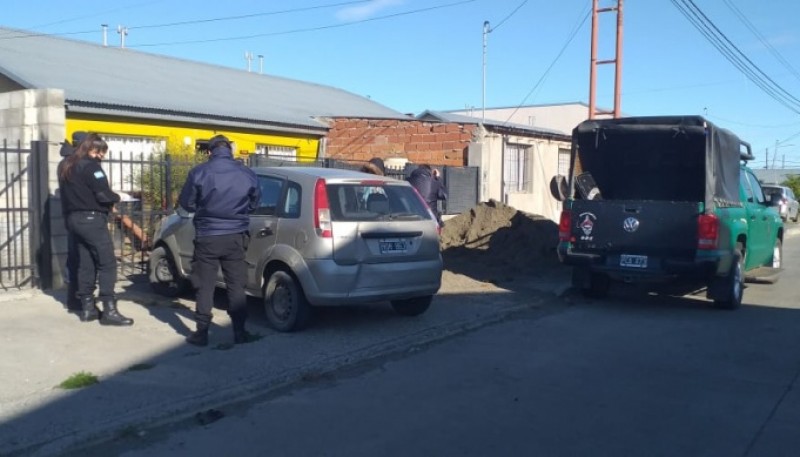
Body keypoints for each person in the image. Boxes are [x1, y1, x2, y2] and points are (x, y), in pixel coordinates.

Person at [178, 134, 261, 347]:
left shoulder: (199, 172)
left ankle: (202, 332)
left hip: (207, 236)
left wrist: (204, 209)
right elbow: (255, 202)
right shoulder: (246, 173)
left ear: (209, 151)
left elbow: (187, 203)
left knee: (205, 286)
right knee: (236, 285)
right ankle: (240, 332)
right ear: (230, 150)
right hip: (236, 236)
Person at [58, 133, 133, 326]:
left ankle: (87, 309)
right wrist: (118, 197)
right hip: (92, 219)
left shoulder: (65, 165)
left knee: (86, 263)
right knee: (107, 263)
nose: (102, 156)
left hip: (73, 220)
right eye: (99, 151)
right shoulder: (91, 167)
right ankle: (109, 310)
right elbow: (103, 195)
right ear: (89, 148)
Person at [57, 131, 87, 312]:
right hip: (77, 214)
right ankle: (77, 297)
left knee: (76, 254)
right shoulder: (71, 164)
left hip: (72, 214)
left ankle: (75, 297)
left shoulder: (66, 163)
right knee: (78, 256)